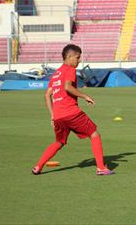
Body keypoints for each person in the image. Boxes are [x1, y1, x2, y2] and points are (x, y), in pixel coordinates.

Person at [32, 44, 114, 175]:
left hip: (58, 116)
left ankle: (38, 166)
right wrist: (84, 96)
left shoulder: (56, 74)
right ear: (69, 57)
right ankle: (101, 168)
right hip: (71, 113)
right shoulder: (70, 69)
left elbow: (47, 95)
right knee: (94, 134)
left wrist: (52, 115)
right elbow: (67, 87)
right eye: (78, 57)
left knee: (59, 142)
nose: (79, 60)